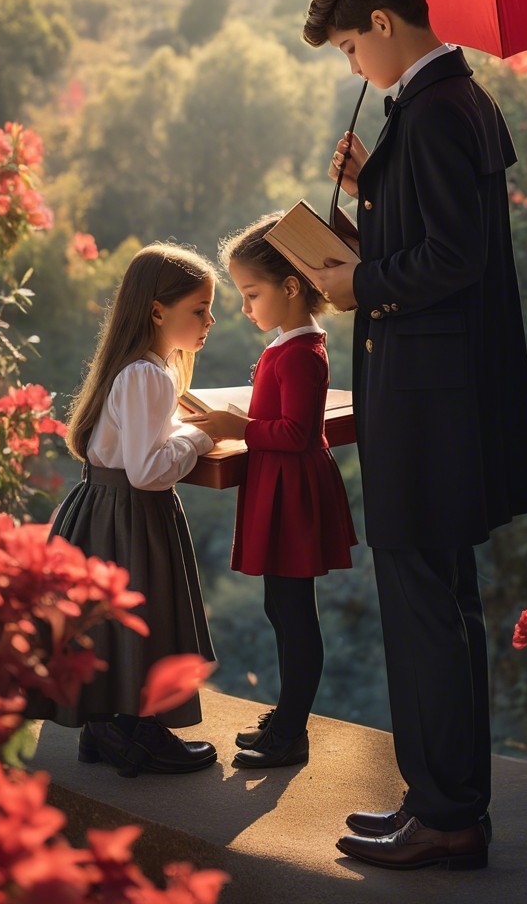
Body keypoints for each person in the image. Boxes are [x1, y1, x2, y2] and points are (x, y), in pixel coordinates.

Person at [299, 0, 527, 871]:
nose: (351, 66)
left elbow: (452, 260)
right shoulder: (447, 106)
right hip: (437, 402)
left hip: (427, 408)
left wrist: (356, 282)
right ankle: (443, 803)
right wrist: (371, 185)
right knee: (442, 605)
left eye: (350, 46)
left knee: (422, 606)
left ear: (384, 27)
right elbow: (435, 238)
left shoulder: (438, 112)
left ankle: (444, 813)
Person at [45, 243, 219, 777]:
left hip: (105, 506)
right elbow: (147, 469)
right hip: (131, 510)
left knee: (119, 625)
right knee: (144, 616)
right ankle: (133, 731)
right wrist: (198, 438)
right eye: (199, 310)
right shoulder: (147, 375)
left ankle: (108, 729)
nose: (209, 321)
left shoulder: (137, 368)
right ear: (157, 310)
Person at [189, 215, 357, 770]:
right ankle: (286, 716)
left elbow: (299, 433)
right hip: (279, 486)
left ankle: (291, 730)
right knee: (281, 607)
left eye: (251, 293)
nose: (245, 308)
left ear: (290, 288)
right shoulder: (288, 347)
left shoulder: (303, 354)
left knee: (292, 612)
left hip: (293, 493)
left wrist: (237, 427)